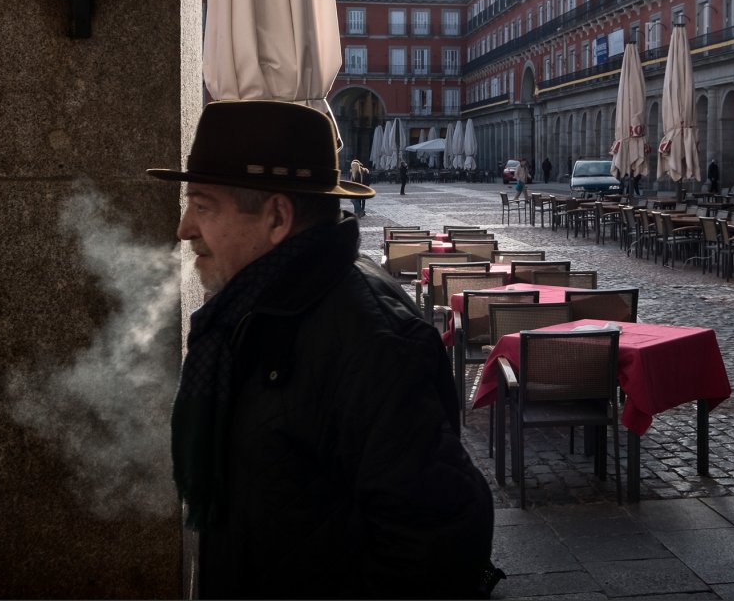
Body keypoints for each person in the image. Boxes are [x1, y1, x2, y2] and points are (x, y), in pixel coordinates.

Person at [149, 100, 497, 600]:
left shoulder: (375, 343)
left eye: (203, 206)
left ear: (277, 217)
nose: (184, 228)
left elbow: (436, 545)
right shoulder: (253, 308)